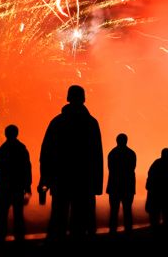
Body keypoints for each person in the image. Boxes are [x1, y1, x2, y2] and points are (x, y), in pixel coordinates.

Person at [39, 85, 103, 242]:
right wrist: (96, 185)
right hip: (84, 182)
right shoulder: (91, 123)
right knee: (81, 224)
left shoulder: (57, 122)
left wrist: (44, 179)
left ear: (68, 98)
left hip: (61, 180)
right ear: (84, 99)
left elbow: (46, 153)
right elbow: (97, 156)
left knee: (58, 219)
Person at [0, 124, 32, 243]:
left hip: (4, 186)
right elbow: (27, 168)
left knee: (2, 214)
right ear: (17, 134)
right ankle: (19, 239)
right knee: (18, 214)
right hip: (18, 186)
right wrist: (28, 186)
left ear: (6, 134)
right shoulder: (22, 149)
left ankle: (0, 238)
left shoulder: (2, 150)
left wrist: (2, 174)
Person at [106, 133, 136, 235]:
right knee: (127, 211)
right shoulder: (131, 153)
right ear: (126, 140)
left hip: (114, 186)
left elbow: (111, 169)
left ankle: (112, 231)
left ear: (117, 141)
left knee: (114, 211)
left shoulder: (112, 153)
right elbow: (132, 169)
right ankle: (128, 232)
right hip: (128, 186)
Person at [145, 148, 168, 235]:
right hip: (166, 194)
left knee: (155, 216)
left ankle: (155, 232)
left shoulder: (156, 164)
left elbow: (149, 180)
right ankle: (167, 233)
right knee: (167, 215)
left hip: (155, 194)